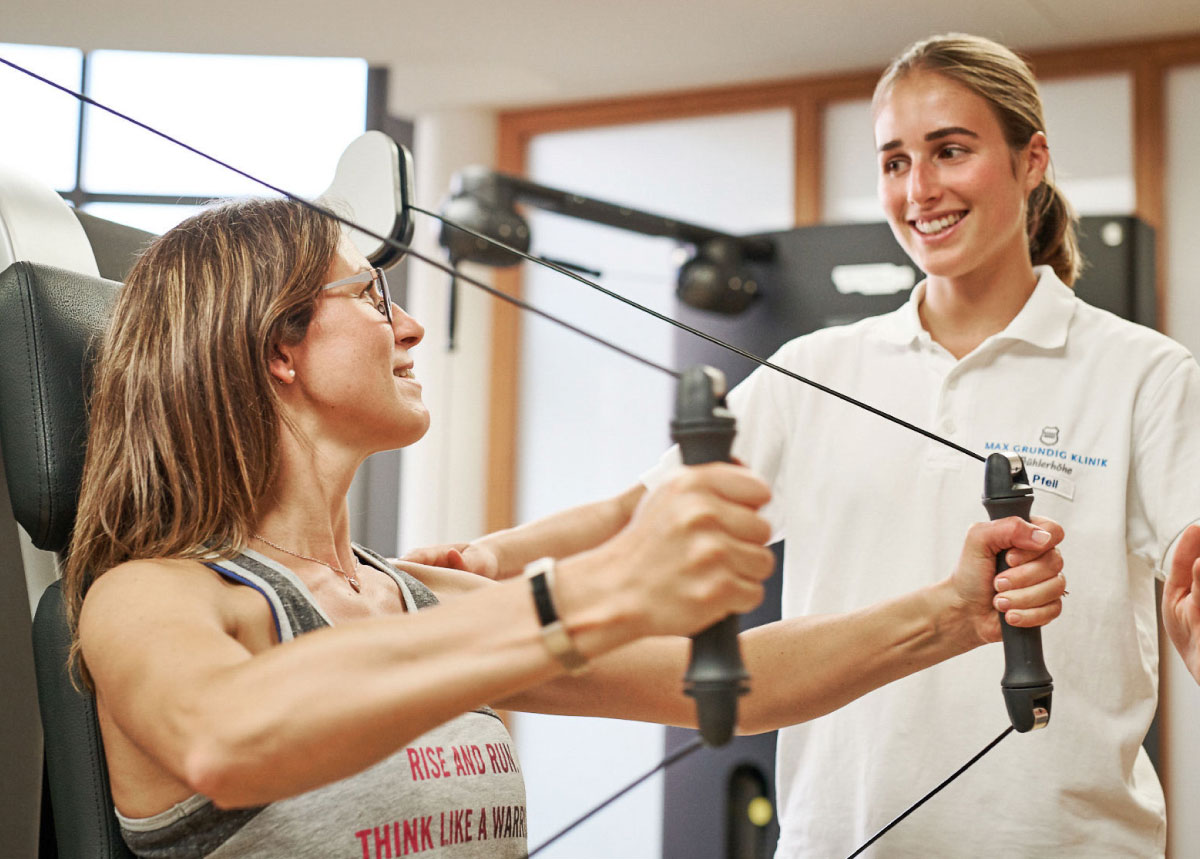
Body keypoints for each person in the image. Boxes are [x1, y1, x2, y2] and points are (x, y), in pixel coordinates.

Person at [63, 196, 1066, 859]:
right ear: (280, 346)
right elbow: (226, 737)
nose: (409, 325)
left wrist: (951, 611)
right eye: (371, 296)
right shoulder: (150, 595)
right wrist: (602, 585)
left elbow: (743, 686)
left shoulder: (413, 599)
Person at [407, 33, 1200, 857]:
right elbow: (640, 514)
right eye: (894, 161)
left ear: (1030, 160)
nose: (919, 188)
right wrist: (490, 560)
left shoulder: (1142, 373)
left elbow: (1193, 576)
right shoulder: (819, 369)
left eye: (950, 151)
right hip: (839, 838)